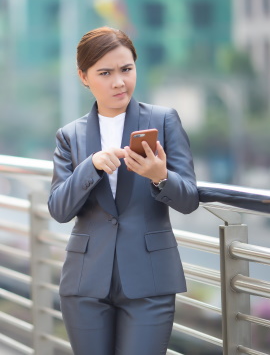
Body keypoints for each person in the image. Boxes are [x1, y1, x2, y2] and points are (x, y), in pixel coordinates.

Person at [48, 26, 199, 355]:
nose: (119, 82)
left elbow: (188, 199)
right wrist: (92, 166)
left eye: (126, 69)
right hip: (85, 284)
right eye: (105, 73)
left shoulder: (164, 120)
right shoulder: (69, 136)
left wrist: (161, 176)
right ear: (83, 77)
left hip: (150, 282)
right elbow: (59, 209)